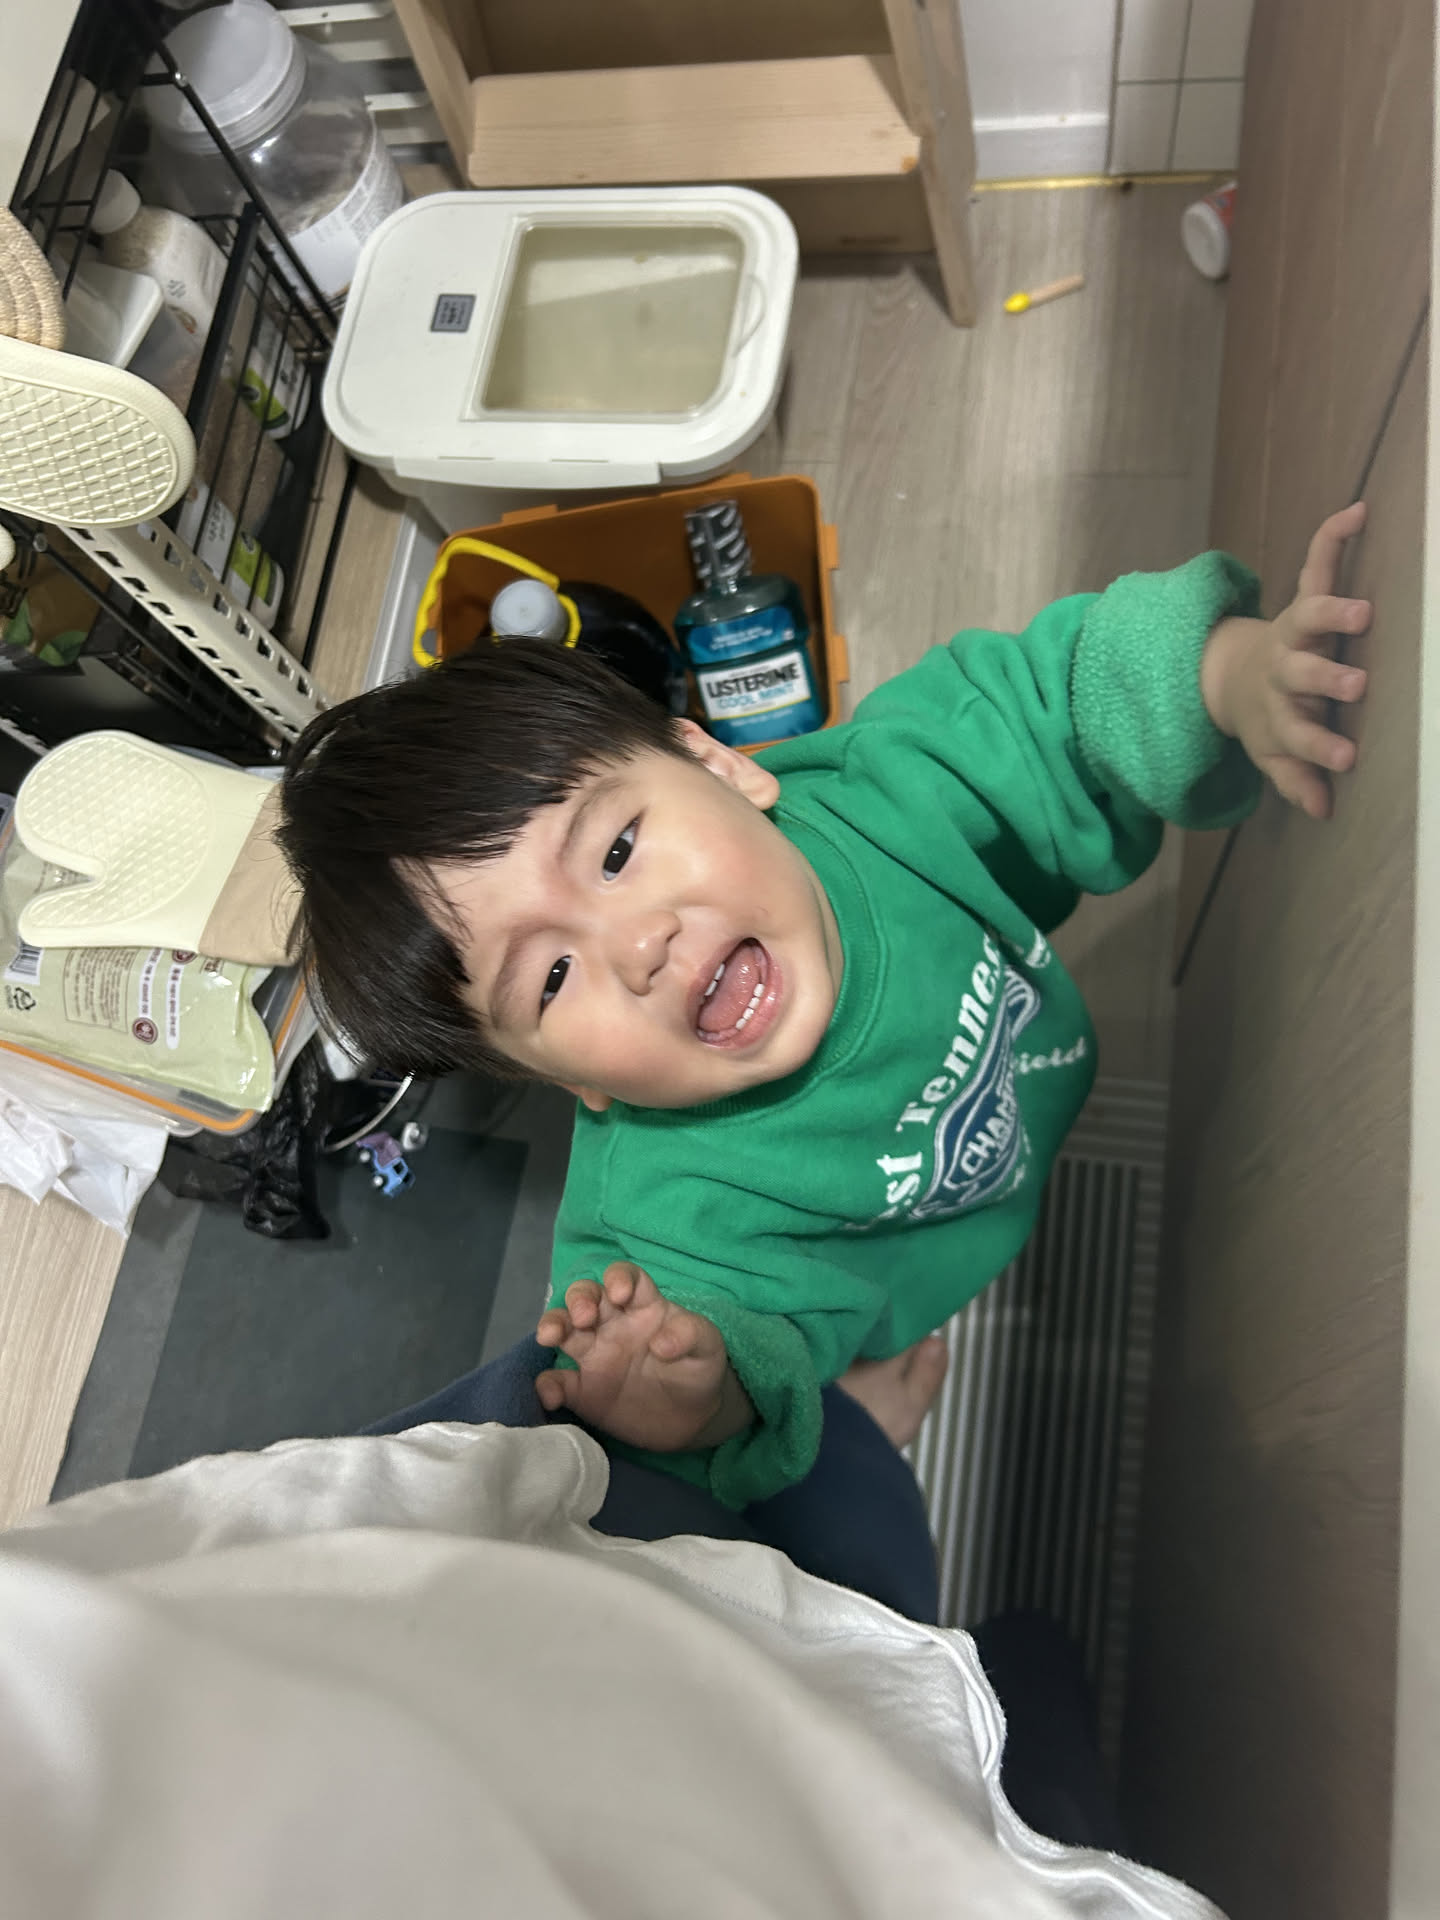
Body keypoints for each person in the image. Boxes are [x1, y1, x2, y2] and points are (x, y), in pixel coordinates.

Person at [279, 507, 1371, 1506]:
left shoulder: (889, 789)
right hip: (897, 1269)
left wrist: (1230, 675)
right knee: (809, 1375)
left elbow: (1058, 698)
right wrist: (697, 1397)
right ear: (566, 1081)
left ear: (720, 764)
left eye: (615, 851)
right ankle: (862, 1406)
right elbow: (688, 1373)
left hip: (1034, 1078)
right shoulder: (657, 1227)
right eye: (552, 979)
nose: (639, 946)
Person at [0, 1414, 1226, 1920]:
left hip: (657, 1639)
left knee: (896, 1566)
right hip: (806, 1728)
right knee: (1011, 1688)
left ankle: (816, 1417)